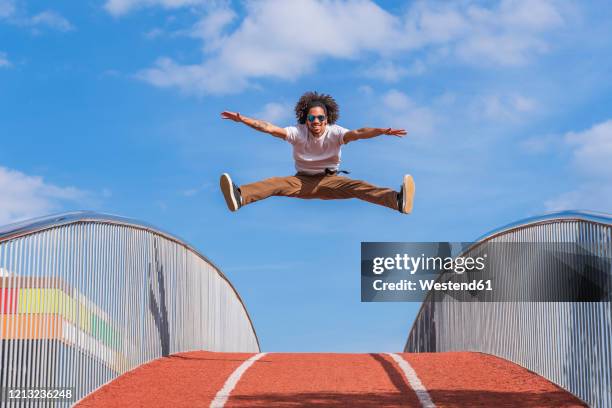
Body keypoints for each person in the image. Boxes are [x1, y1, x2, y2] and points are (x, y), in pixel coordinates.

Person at [219, 91, 415, 214]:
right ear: (306, 120)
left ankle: (397, 200)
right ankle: (239, 197)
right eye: (312, 119)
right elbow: (268, 127)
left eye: (320, 118)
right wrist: (244, 120)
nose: (316, 122)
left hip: (331, 181)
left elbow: (358, 133)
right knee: (275, 183)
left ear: (327, 119)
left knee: (359, 187)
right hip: (301, 181)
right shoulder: (297, 133)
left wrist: (381, 131)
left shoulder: (336, 133)